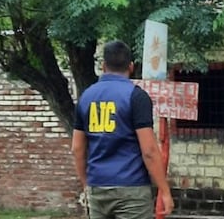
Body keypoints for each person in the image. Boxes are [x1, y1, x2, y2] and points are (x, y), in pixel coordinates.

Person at [72, 40, 175, 219]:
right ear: (131, 66)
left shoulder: (86, 97)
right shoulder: (136, 96)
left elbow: (77, 148)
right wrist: (164, 191)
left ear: (103, 66)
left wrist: (86, 185)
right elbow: (149, 151)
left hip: (98, 186)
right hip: (131, 189)